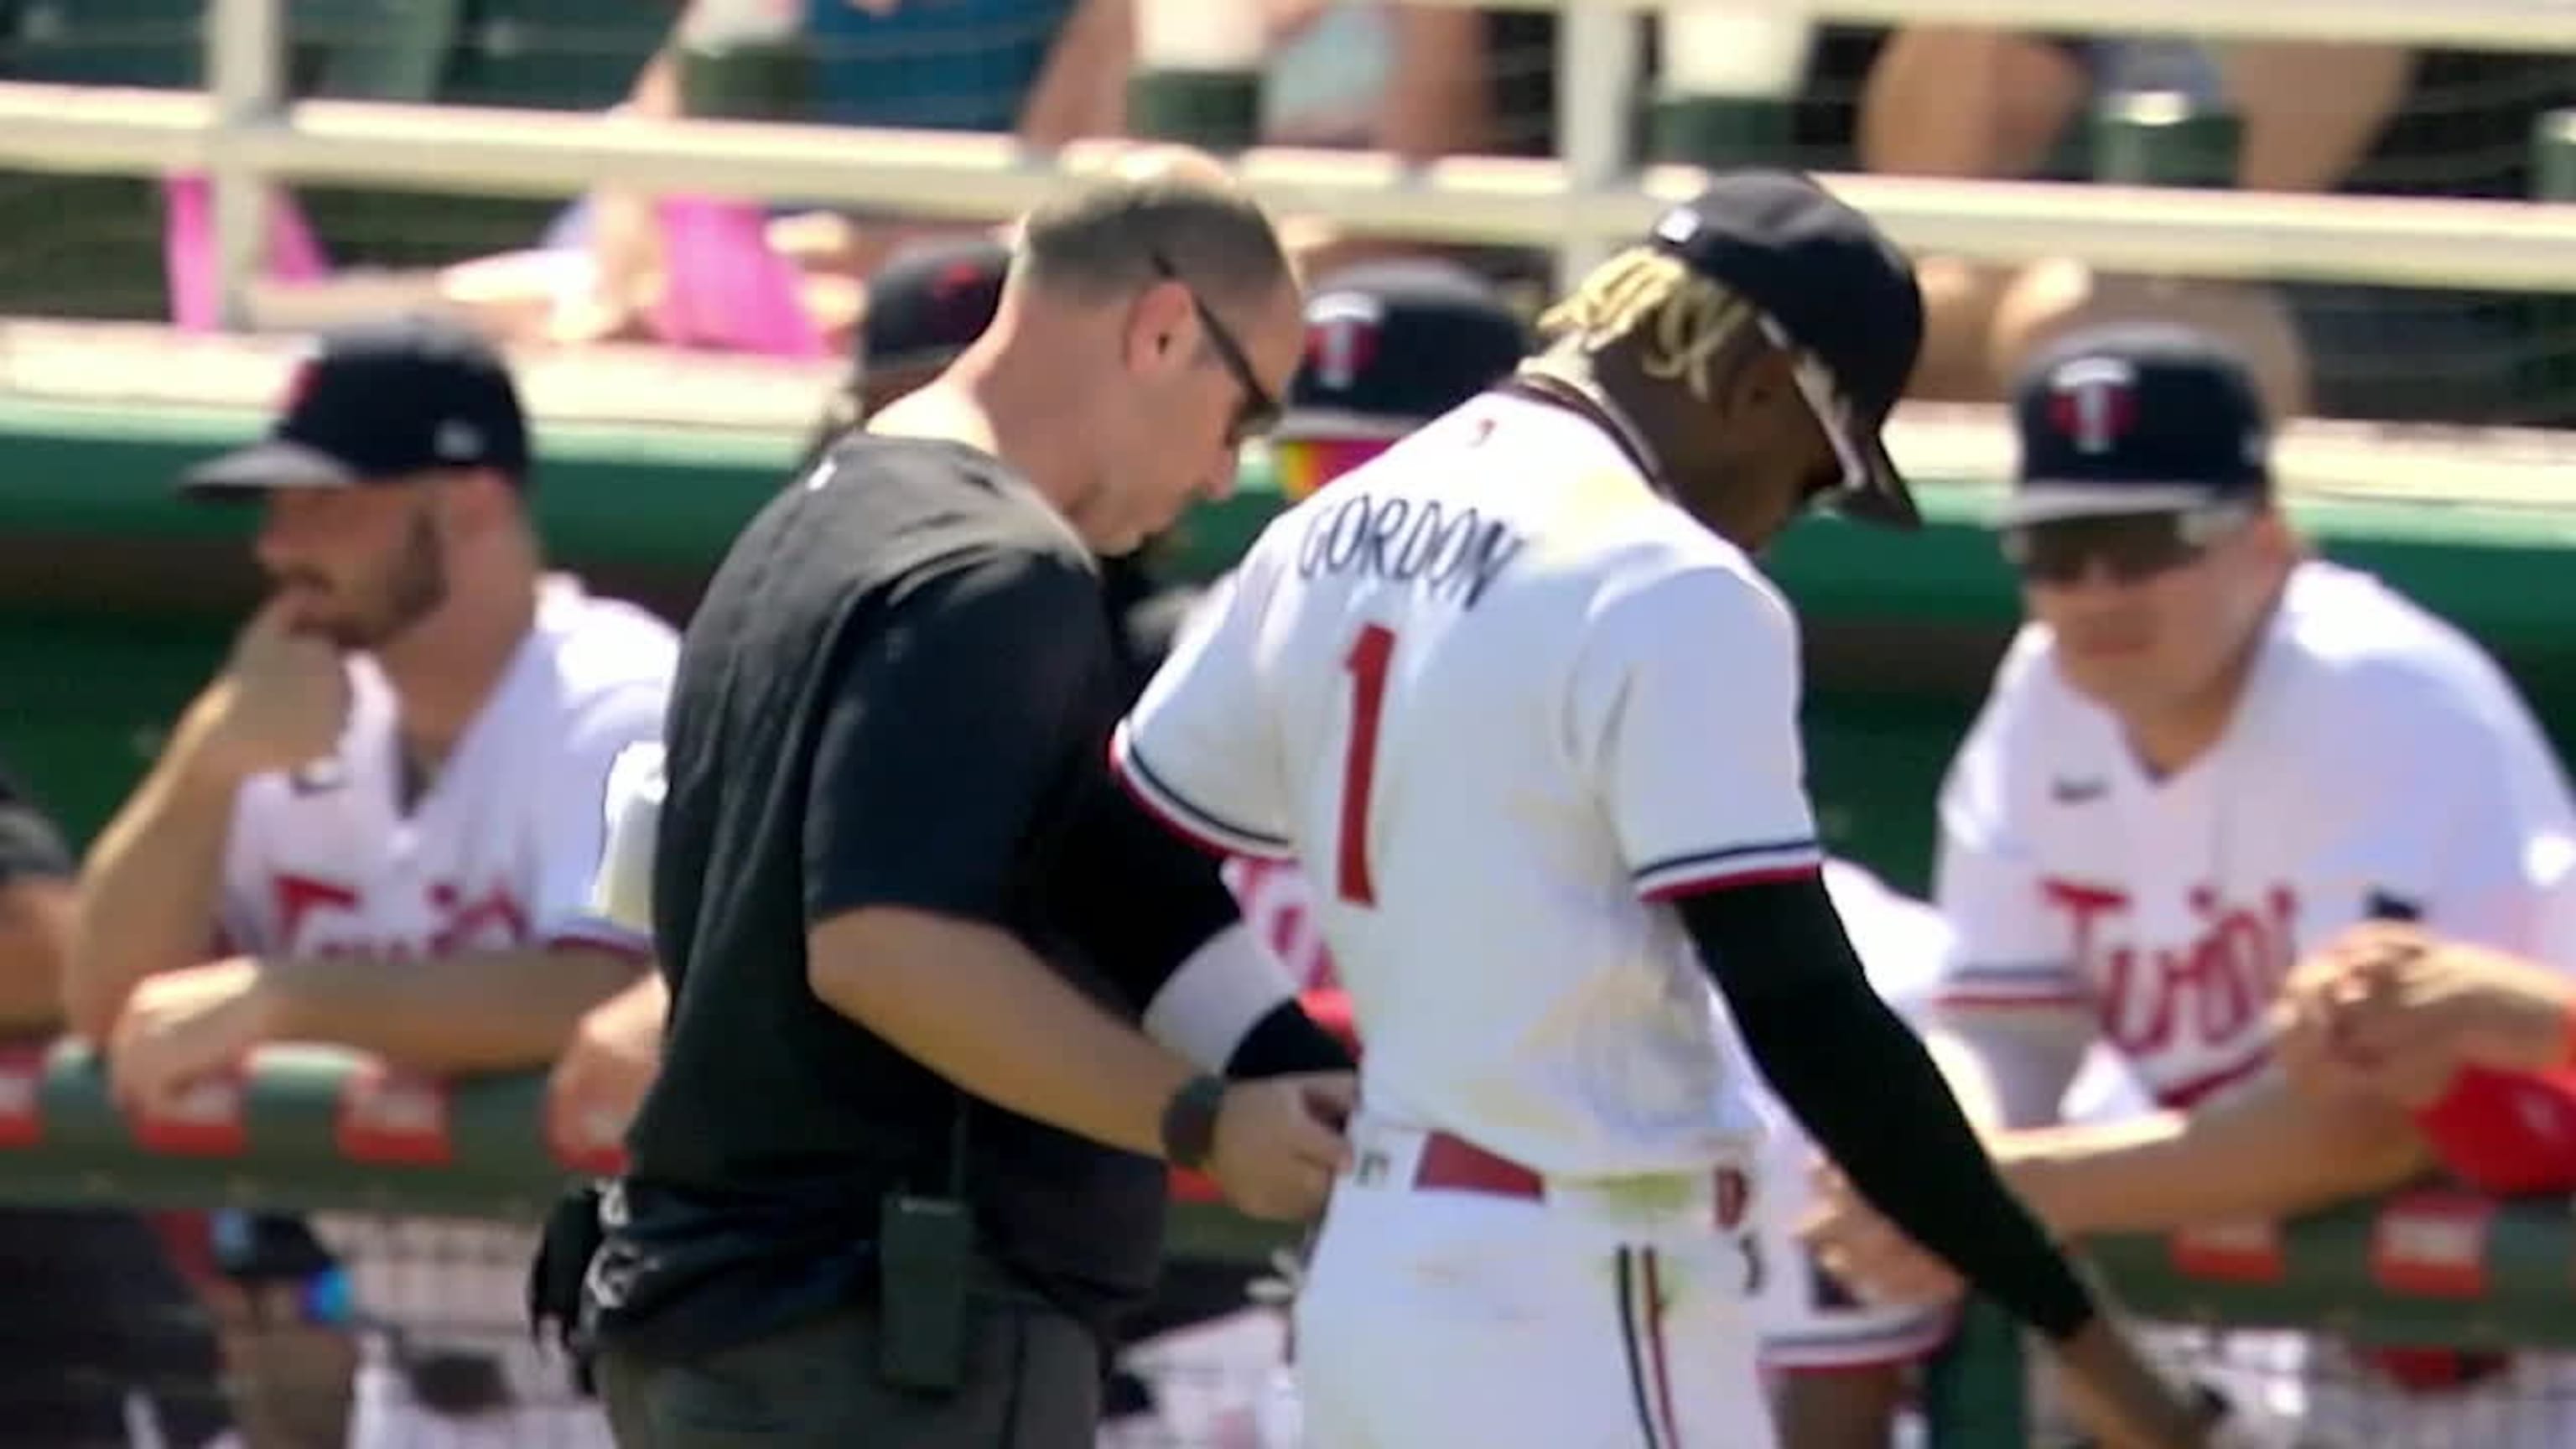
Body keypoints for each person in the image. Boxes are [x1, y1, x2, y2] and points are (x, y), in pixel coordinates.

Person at [1110, 168, 2215, 1448]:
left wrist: (1273, 1070)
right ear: (1757, 386)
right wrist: (2088, 1339)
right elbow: (1810, 1020)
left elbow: (1117, 857)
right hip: (1578, 1288)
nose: (1784, 520)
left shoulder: (1338, 518)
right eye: (1812, 474)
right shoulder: (1664, 577)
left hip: (1374, 1273)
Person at [563, 150, 1359, 1447]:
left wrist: (1287, 1069)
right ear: (1164, 332)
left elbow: (1093, 857)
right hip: (876, 1346)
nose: (1225, 477)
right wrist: (1204, 1121)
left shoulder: (823, 519)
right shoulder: (996, 570)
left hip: (740, 1323)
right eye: (1245, 416)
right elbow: (886, 946)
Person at [1801, 323, 2576, 1444]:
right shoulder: (2046, 706)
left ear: (2267, 542)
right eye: (2061, 552)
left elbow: (2373, 1124)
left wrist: (2008, 1189)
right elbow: (2005, 1034)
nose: (2103, 589)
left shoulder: (2372, 694)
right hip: (2264, 1317)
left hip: (2511, 1335)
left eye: (2150, 539)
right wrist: (1941, 1165)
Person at [67, 312, 678, 1449]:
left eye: (328, 506)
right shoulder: (307, 724)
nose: (279, 547)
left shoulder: (616, 700)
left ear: (473, 503)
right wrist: (205, 765)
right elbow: (108, 1004)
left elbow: (595, 996)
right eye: (275, 508)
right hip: (415, 1386)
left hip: (638, 1378)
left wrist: (287, 995)